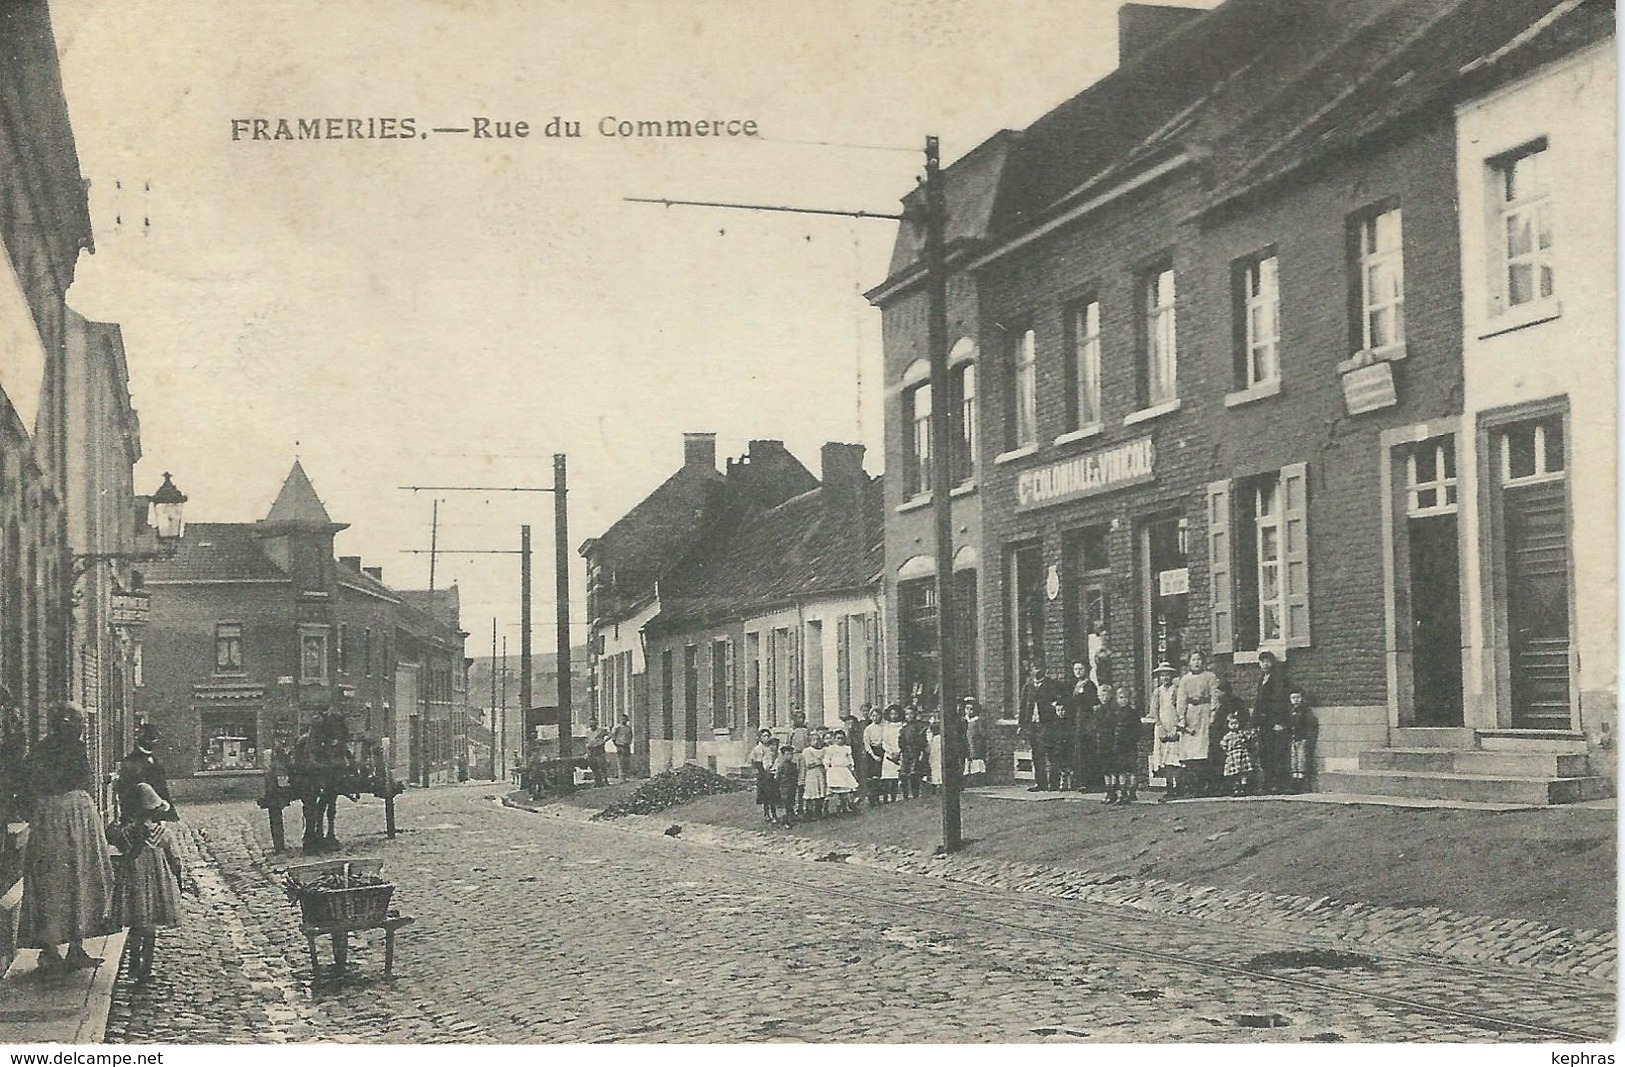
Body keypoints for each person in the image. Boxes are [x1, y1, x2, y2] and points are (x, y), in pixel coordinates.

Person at [20, 704, 113, 972]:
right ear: (67, 724)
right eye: (78, 723)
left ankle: (64, 949)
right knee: (75, 878)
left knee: (61, 881)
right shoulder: (70, 750)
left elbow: (25, 787)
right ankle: (60, 950)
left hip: (54, 819)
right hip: (72, 819)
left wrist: (38, 811)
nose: (81, 728)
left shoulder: (40, 750)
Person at [112, 782, 190, 984]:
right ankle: (145, 968)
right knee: (151, 927)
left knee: (137, 925)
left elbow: (119, 849)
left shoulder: (127, 833)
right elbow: (175, 859)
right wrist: (178, 878)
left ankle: (133, 964)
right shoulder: (163, 834)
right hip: (157, 884)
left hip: (133, 882)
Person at [1175, 650, 1220, 797]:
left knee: (1204, 748)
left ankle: (1206, 784)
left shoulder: (1210, 677)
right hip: (1190, 715)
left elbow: (1214, 696)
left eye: (1199, 659)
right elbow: (1181, 700)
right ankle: (1192, 785)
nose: (1196, 662)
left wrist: (1213, 714)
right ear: (1189, 662)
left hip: (1204, 713)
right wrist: (1181, 718)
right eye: (1193, 660)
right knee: (1189, 751)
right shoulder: (1185, 680)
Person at [115, 722, 178, 823]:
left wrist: (171, 814)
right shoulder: (131, 762)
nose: (154, 742)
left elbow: (163, 789)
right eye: (151, 739)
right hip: (139, 815)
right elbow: (126, 793)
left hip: (159, 813)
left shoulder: (155, 761)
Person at [1018, 664, 1065, 792]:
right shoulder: (1028, 686)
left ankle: (1054, 783)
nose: (1036, 672)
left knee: (1052, 754)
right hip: (1033, 726)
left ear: (1044, 671)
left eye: (1039, 669)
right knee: (1037, 755)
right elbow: (1023, 706)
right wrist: (1022, 724)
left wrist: (1056, 705)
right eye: (1034, 669)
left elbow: (1060, 700)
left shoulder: (1052, 685)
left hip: (1048, 725)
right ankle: (1041, 783)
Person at [1252, 650, 1293, 794]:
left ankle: (1279, 783)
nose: (1265, 664)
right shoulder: (1262, 679)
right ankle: (1268, 783)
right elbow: (1258, 702)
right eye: (1262, 661)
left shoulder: (1278, 679)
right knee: (1265, 754)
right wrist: (1254, 723)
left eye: (1268, 661)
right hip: (1263, 723)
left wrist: (1280, 721)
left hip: (1274, 722)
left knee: (1277, 753)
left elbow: (1280, 702)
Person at [1149, 663, 1185, 800]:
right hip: (1162, 726)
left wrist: (1176, 727)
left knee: (1176, 757)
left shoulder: (1175, 690)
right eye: (1162, 675)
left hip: (1174, 724)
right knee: (1164, 758)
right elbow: (1155, 711)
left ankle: (1179, 787)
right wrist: (1160, 726)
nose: (1165, 677)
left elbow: (1179, 708)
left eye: (1167, 675)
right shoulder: (1157, 692)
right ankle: (1169, 787)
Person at [1097, 686, 1137, 804]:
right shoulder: (1114, 712)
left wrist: (1130, 739)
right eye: (1120, 698)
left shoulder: (1132, 713)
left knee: (1127, 769)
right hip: (1114, 745)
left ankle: (1128, 793)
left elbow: (1137, 730)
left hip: (1127, 745)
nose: (1122, 700)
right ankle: (1113, 792)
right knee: (1115, 769)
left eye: (1125, 698)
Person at [1068, 661, 1100, 793]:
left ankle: (1091, 783)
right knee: (1080, 753)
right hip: (1078, 721)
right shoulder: (1075, 685)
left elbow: (1090, 704)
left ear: (1086, 670)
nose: (1078, 671)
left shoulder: (1089, 685)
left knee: (1088, 752)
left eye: (1080, 669)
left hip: (1086, 723)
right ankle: (1082, 781)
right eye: (1076, 669)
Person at [1220, 709, 1260, 796]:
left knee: (1243, 772)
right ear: (1228, 725)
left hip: (1242, 754)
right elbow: (1223, 744)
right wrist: (1227, 751)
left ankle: (1244, 787)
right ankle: (1236, 788)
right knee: (1235, 772)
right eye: (1232, 724)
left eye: (1236, 723)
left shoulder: (1242, 733)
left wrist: (1252, 735)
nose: (1234, 726)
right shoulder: (1227, 736)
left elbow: (1249, 739)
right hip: (1233, 755)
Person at [1286, 687, 1315, 792]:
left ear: (1302, 698)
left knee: (1302, 759)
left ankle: (1301, 780)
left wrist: (1307, 738)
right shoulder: (1290, 711)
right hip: (1293, 739)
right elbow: (1289, 725)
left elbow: (1310, 725)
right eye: (1293, 698)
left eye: (1298, 697)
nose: (1296, 700)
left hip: (1302, 738)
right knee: (1294, 759)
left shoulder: (1305, 711)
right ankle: (1294, 779)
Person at [898, 706, 929, 800]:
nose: (909, 716)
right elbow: (901, 741)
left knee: (914, 774)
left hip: (916, 752)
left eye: (911, 714)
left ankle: (915, 794)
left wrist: (921, 752)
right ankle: (905, 794)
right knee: (903, 774)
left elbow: (923, 741)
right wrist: (902, 750)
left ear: (915, 714)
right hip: (906, 753)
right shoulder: (903, 728)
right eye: (907, 714)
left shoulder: (920, 727)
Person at [825, 729, 859, 813]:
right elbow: (827, 759)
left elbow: (850, 759)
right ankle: (838, 807)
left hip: (845, 770)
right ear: (834, 739)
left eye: (842, 738)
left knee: (848, 789)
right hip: (835, 771)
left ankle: (850, 805)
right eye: (838, 738)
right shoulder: (831, 748)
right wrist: (828, 768)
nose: (840, 740)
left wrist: (852, 767)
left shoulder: (847, 748)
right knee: (838, 789)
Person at [749, 730, 778, 822]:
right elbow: (753, 761)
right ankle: (766, 813)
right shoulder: (757, 749)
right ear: (760, 738)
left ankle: (774, 814)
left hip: (771, 772)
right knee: (765, 795)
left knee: (772, 795)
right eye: (764, 736)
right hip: (762, 773)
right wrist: (757, 770)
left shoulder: (771, 748)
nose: (766, 738)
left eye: (768, 736)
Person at [786, 711, 811, 814]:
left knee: (804, 782)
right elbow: (788, 745)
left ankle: (803, 806)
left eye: (802, 718)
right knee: (794, 782)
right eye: (798, 718)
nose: (800, 720)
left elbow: (809, 743)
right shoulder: (792, 732)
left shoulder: (807, 731)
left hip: (805, 756)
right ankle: (794, 806)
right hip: (795, 757)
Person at [800, 732, 828, 819]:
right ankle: (809, 812)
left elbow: (825, 762)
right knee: (811, 792)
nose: (815, 742)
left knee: (821, 792)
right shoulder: (807, 751)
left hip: (820, 773)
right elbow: (809, 764)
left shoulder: (824, 750)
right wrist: (819, 762)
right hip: (811, 774)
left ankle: (818, 811)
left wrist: (820, 763)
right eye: (813, 740)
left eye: (817, 740)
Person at [879, 705, 904, 803]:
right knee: (886, 777)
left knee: (895, 777)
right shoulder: (886, 727)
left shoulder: (902, 726)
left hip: (898, 754)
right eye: (892, 714)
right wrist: (890, 752)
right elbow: (885, 741)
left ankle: (894, 797)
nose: (894, 716)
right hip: (889, 754)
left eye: (896, 714)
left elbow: (902, 740)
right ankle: (885, 797)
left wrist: (898, 752)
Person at [961, 698, 989, 785]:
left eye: (971, 709)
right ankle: (967, 780)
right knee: (967, 762)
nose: (969, 711)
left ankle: (977, 780)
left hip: (976, 746)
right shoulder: (963, 721)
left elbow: (983, 735)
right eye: (967, 709)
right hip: (966, 745)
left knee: (976, 763)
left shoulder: (977, 722)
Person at [863, 706, 886, 807]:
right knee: (872, 777)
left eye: (877, 715)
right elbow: (866, 743)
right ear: (870, 717)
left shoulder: (884, 727)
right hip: (872, 753)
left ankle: (881, 797)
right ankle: (872, 798)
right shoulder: (868, 729)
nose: (875, 718)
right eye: (873, 716)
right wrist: (873, 755)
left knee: (881, 775)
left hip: (883, 751)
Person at [772, 743, 798, 827]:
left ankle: (789, 818)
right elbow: (777, 777)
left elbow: (795, 775)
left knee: (791, 803)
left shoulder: (794, 765)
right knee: (784, 804)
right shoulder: (781, 766)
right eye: (787, 754)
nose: (790, 756)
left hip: (792, 787)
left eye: (791, 754)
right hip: (784, 788)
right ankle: (785, 820)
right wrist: (778, 786)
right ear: (783, 755)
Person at [584, 720, 612, 787]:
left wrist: (604, 741)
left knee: (602, 765)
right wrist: (587, 749)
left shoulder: (601, 730)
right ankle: (597, 782)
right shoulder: (588, 732)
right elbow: (586, 741)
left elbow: (610, 734)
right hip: (591, 750)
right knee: (594, 766)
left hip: (599, 749)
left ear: (596, 724)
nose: (592, 726)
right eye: (591, 725)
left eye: (593, 725)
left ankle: (605, 781)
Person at [611, 715, 635, 781]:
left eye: (625, 719)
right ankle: (621, 778)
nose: (624, 721)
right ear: (620, 720)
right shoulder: (617, 727)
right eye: (622, 719)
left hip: (626, 745)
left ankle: (626, 777)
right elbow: (613, 736)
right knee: (620, 761)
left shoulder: (628, 728)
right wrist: (616, 744)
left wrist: (629, 742)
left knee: (626, 761)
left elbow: (631, 735)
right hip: (620, 745)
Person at [925, 720, 945, 794]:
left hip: (936, 757)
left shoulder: (937, 738)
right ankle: (936, 786)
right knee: (936, 770)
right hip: (935, 757)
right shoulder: (936, 738)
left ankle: (937, 786)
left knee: (936, 770)